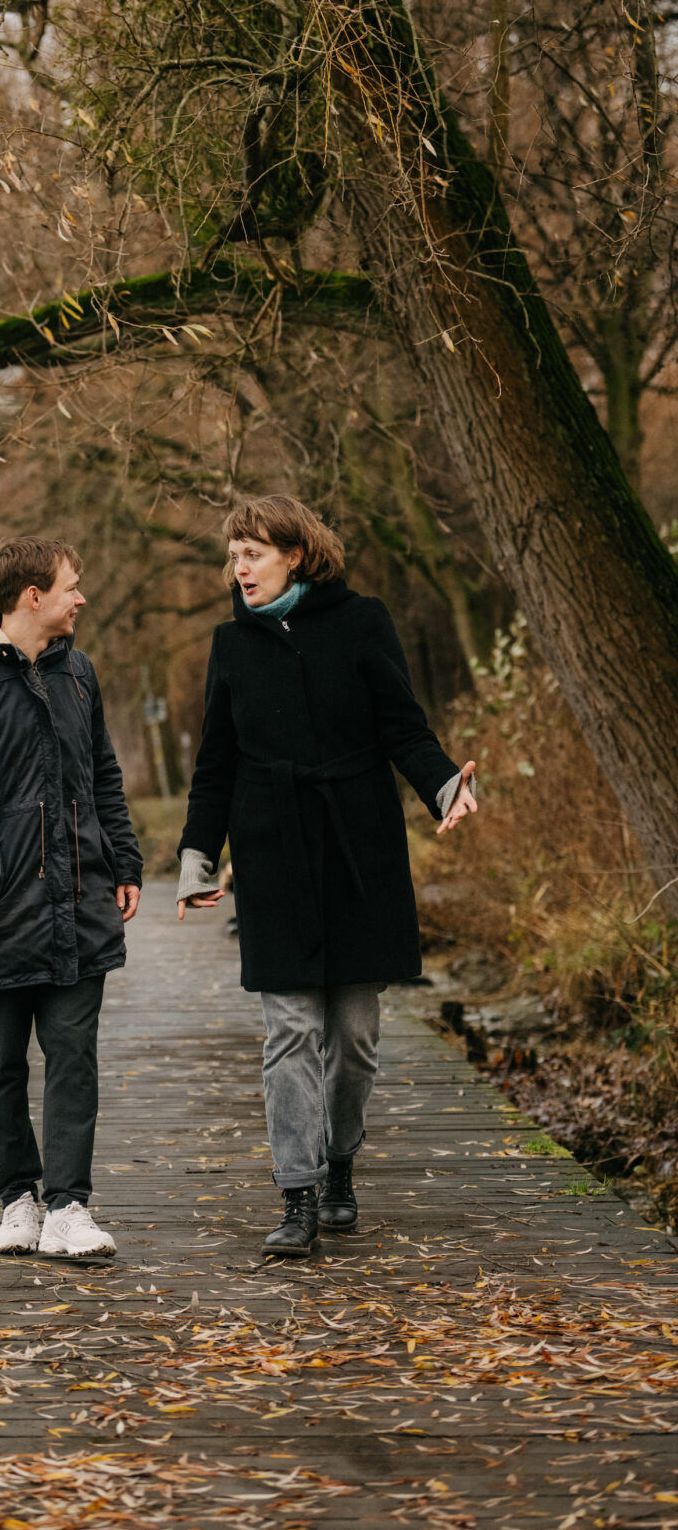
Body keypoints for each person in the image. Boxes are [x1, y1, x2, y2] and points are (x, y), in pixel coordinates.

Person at [176, 495, 477, 1257]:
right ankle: (298, 1192)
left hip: (359, 845)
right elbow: (214, 765)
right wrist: (196, 860)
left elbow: (403, 727)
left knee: (355, 1035)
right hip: (272, 847)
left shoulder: (362, 621)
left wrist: (446, 786)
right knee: (290, 1030)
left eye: (253, 551)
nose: (238, 567)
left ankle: (342, 1160)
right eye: (234, 553)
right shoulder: (230, 645)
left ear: (297, 555)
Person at [0, 536, 142, 1259]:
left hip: (81, 904)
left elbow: (103, 774)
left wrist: (125, 859)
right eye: (71, 586)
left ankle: (70, 1207)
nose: (81, 597)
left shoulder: (80, 675)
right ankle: (19, 1199)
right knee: (2, 1065)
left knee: (74, 1057)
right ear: (31, 596)